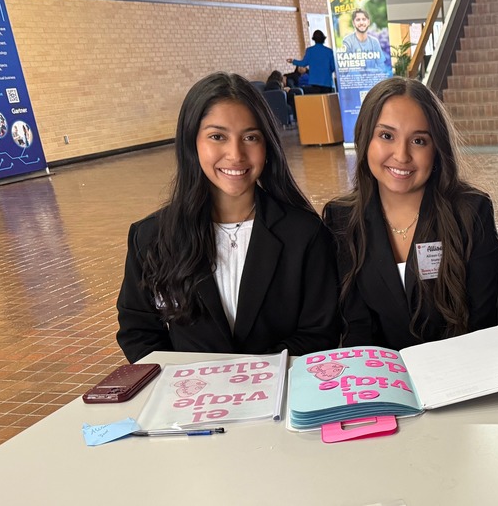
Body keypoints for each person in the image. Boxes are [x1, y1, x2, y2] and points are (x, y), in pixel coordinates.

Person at [116, 72, 341, 363]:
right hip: (192, 400)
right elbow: (139, 334)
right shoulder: (152, 238)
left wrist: (249, 378)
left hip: (280, 395)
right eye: (217, 136)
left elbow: (319, 332)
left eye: (250, 137)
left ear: (267, 145)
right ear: (191, 142)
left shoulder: (305, 234)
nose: (235, 154)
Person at [322, 77, 498, 351]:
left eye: (418, 140)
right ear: (364, 138)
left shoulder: (471, 212)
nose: (402, 155)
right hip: (383, 379)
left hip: (461, 375)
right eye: (386, 136)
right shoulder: (342, 218)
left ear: (436, 150)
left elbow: (483, 324)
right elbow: (356, 328)